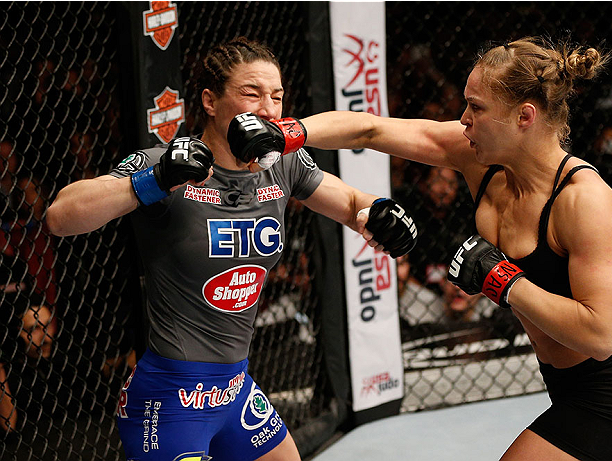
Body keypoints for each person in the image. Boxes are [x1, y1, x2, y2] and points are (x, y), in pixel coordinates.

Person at [232, 36, 612, 460]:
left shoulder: (584, 200)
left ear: (524, 116)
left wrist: (503, 281)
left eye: (476, 107)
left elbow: (603, 334)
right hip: (569, 385)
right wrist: (289, 134)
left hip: (610, 393)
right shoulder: (477, 156)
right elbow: (371, 128)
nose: (463, 119)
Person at [45, 37, 417, 461]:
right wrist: (152, 181)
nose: (267, 109)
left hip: (236, 390)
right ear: (210, 100)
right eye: (251, 94)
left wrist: (381, 212)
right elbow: (60, 216)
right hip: (170, 399)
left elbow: (352, 204)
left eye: (276, 97)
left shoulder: (282, 163)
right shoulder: (166, 162)